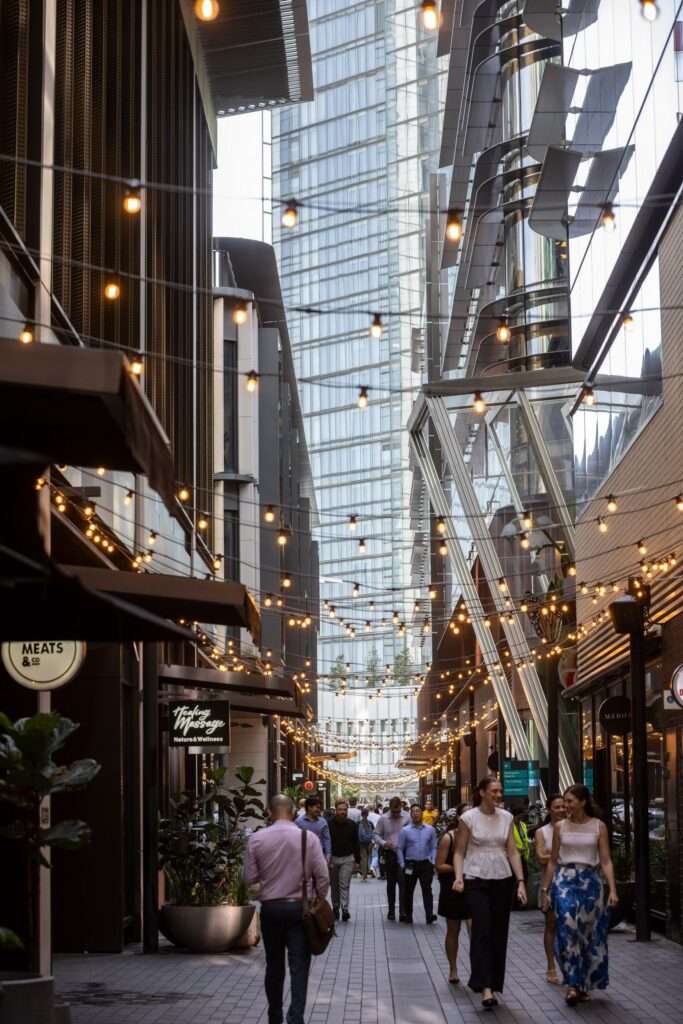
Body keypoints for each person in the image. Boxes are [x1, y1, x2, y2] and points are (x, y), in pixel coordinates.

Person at [245, 794, 329, 1024]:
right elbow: (322, 877)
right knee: (299, 967)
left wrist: (269, 883)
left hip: (271, 909)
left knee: (274, 965)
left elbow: (250, 878)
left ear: (270, 812)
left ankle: (275, 1015)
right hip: (299, 910)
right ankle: (296, 1018)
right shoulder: (308, 838)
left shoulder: (256, 839)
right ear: (293, 812)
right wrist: (318, 901)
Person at [453, 777, 527, 1010]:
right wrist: (458, 877)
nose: (498, 794)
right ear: (482, 792)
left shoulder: (507, 818)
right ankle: (484, 986)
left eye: (500, 791)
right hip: (475, 878)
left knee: (498, 932)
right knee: (482, 929)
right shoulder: (468, 818)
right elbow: (459, 851)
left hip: (502, 878)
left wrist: (521, 881)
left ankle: (493, 983)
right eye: (494, 791)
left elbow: (512, 851)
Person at [541, 784, 618, 1007]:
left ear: (583, 802)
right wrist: (545, 890)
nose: (566, 806)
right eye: (564, 802)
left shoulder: (598, 827)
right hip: (564, 880)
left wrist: (612, 889)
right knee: (566, 927)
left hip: (591, 882)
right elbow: (553, 860)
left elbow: (605, 860)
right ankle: (572, 984)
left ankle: (584, 984)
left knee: (588, 934)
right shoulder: (560, 827)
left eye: (570, 802)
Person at [436, 804, 471, 983]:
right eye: (465, 814)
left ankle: (477, 969)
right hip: (452, 888)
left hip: (473, 886)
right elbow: (439, 865)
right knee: (453, 930)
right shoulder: (448, 838)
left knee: (476, 930)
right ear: (458, 818)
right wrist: (459, 869)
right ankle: (453, 969)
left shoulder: (478, 838)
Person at [535, 793, 566, 984]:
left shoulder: (573, 828)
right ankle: (551, 966)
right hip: (551, 883)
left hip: (571, 882)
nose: (562, 810)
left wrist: (551, 854)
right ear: (549, 809)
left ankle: (568, 966)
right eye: (557, 807)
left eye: (564, 806)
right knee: (551, 925)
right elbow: (540, 857)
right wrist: (561, 855)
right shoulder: (542, 832)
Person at [397, 803, 438, 924]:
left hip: (426, 863)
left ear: (422, 813)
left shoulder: (430, 830)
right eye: (413, 811)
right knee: (409, 891)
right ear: (410, 814)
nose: (416, 813)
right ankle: (408, 915)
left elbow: (434, 846)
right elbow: (400, 847)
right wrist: (402, 863)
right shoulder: (405, 831)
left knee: (427, 889)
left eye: (418, 811)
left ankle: (429, 915)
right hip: (410, 864)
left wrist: (432, 860)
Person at [375, 796, 410, 920]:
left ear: (401, 807)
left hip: (404, 854)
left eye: (398, 811)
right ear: (390, 808)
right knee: (391, 883)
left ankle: (402, 912)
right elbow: (376, 835)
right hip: (389, 853)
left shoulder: (407, 817)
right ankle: (391, 910)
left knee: (403, 882)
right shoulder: (383, 819)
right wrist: (384, 843)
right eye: (394, 811)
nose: (396, 814)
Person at [328, 798, 359, 921]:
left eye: (345, 810)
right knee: (334, 885)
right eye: (340, 810)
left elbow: (356, 842)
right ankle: (335, 907)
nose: (343, 812)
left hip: (347, 858)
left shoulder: (352, 824)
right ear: (336, 810)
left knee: (344, 884)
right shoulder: (329, 824)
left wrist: (357, 860)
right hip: (333, 858)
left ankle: (345, 908)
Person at [296, 795, 331, 860]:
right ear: (309, 807)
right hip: (304, 856)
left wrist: (328, 854)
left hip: (320, 855)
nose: (319, 810)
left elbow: (327, 839)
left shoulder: (323, 821)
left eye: (319, 808)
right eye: (317, 808)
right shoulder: (298, 822)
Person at [358, 806, 375, 880]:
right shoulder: (370, 823)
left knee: (363, 858)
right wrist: (373, 842)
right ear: (367, 814)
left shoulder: (358, 823)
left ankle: (364, 874)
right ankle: (367, 871)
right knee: (368, 858)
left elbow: (356, 835)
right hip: (369, 843)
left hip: (361, 843)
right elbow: (374, 833)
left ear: (361, 814)